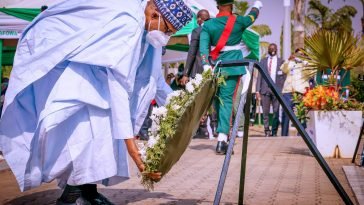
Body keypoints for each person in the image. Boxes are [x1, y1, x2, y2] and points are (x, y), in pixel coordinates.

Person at [0, 0, 192, 205]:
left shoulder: (144, 25)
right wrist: (132, 147)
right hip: (70, 72)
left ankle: (88, 192)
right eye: (167, 30)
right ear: (155, 14)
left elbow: (153, 79)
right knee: (85, 138)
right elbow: (118, 81)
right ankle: (71, 197)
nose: (166, 37)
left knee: (100, 137)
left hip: (97, 79)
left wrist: (183, 106)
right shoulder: (128, 22)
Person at [200, 0, 262, 154]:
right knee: (227, 101)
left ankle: (222, 135)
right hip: (233, 66)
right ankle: (222, 139)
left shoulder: (208, 25)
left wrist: (206, 65)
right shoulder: (240, 21)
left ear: (217, 6)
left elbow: (203, 47)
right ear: (232, 6)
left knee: (217, 101)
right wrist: (257, 6)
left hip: (215, 66)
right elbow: (253, 16)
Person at [256, 43, 286, 137]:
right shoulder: (263, 61)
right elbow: (259, 76)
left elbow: (284, 77)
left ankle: (274, 131)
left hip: (277, 90)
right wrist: (257, 90)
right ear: (268, 50)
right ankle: (266, 130)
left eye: (273, 48)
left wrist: (283, 90)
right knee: (265, 112)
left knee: (276, 112)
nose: (272, 50)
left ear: (276, 49)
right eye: (270, 48)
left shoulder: (282, 62)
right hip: (265, 90)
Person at [281, 48, 310, 136]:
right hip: (288, 91)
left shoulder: (307, 64)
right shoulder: (291, 63)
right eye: (297, 54)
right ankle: (284, 135)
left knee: (301, 114)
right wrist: (288, 60)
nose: (299, 56)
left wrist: (303, 61)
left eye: (301, 54)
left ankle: (302, 135)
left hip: (301, 91)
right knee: (286, 113)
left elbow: (310, 72)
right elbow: (283, 69)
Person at [180, 9, 210, 85]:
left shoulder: (197, 31)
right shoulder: (215, 30)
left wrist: (186, 74)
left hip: (199, 70)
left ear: (199, 19)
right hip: (214, 67)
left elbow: (192, 53)